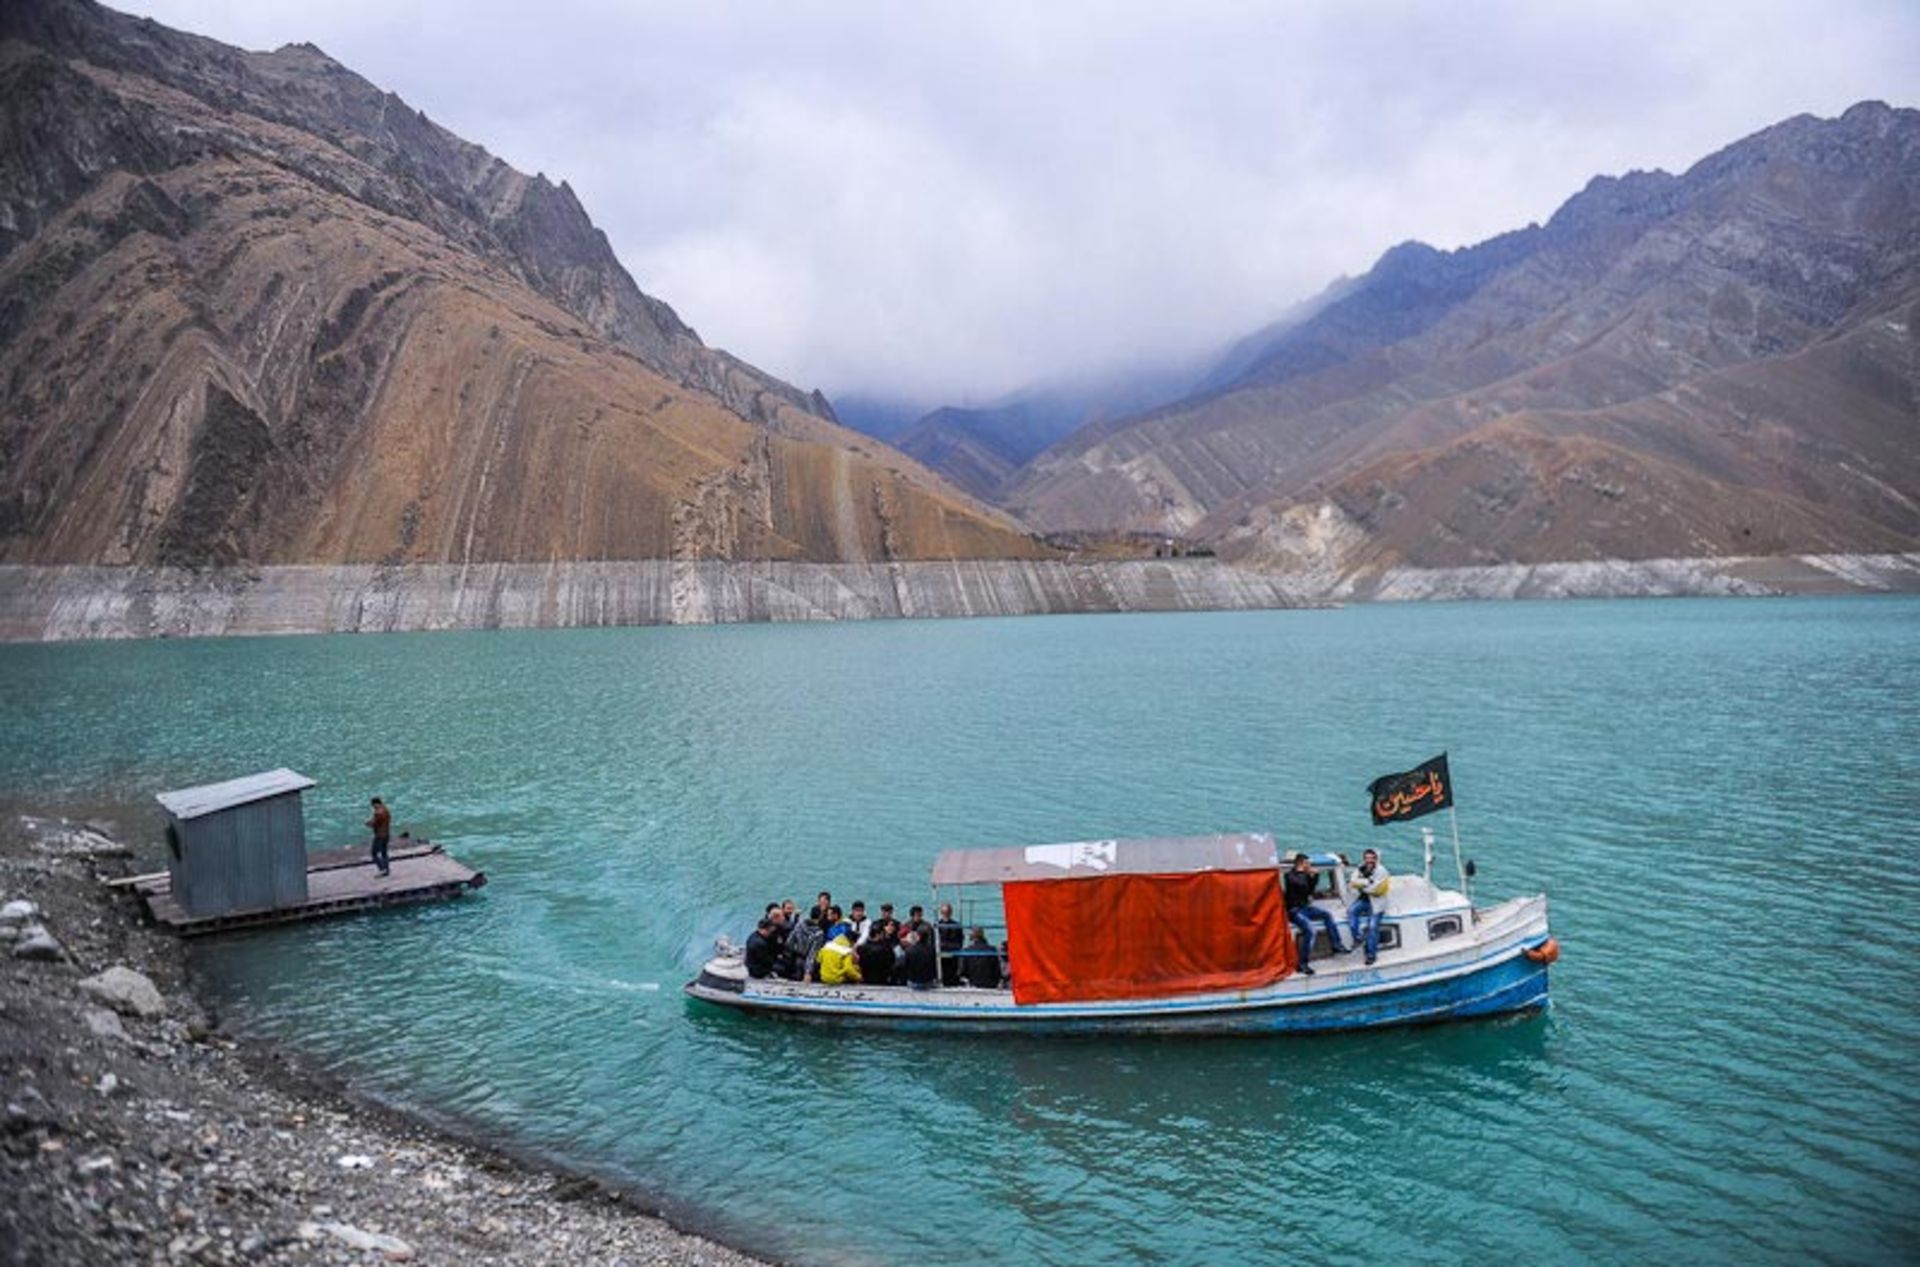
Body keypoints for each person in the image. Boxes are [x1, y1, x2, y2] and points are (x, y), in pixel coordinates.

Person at [1284, 853, 1347, 975]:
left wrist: (1315, 876)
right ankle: (1302, 963)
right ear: (1301, 863)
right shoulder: (1289, 876)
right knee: (1311, 930)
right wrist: (1308, 874)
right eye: (1308, 863)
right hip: (1294, 910)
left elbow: (1309, 890)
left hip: (1305, 907)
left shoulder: (1304, 875)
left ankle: (1336, 944)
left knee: (1327, 915)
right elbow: (1301, 885)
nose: (1310, 865)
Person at [1347, 848, 1392, 965]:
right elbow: (1352, 881)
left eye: (1372, 858)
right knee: (1351, 911)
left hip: (1377, 903)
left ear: (1376, 859)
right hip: (1364, 900)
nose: (1369, 861)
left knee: (1372, 927)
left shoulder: (1382, 871)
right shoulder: (1361, 867)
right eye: (1367, 858)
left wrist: (1361, 884)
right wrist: (1368, 882)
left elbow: (1376, 890)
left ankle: (1371, 955)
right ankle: (1358, 938)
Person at [783, 909, 824, 981]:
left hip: (797, 959)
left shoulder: (799, 925)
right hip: (808, 964)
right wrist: (808, 972)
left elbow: (789, 942)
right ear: (821, 917)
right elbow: (812, 954)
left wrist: (797, 950)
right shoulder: (819, 933)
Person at [935, 902, 964, 987]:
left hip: (946, 953)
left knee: (947, 974)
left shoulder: (938, 925)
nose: (946, 914)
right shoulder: (956, 925)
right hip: (949, 953)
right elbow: (960, 941)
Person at [365, 797, 391, 877]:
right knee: (384, 853)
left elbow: (375, 823)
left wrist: (368, 823)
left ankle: (382, 869)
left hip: (379, 835)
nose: (373, 807)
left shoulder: (378, 813)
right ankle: (386, 869)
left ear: (376, 803)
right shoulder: (386, 810)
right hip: (386, 834)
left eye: (373, 805)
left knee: (374, 853)